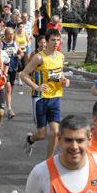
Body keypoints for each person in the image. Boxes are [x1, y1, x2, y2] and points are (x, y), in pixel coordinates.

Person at [21, 29, 70, 158]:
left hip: (55, 98)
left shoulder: (60, 56)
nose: (56, 42)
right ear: (47, 42)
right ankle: (30, 140)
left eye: (58, 40)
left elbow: (60, 72)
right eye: (53, 40)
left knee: (55, 132)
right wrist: (36, 87)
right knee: (42, 135)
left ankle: (49, 162)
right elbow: (23, 75)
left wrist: (64, 80)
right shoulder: (39, 57)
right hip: (40, 99)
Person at [1, 27, 24, 119]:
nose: (11, 36)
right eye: (9, 34)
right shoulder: (2, 44)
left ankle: (6, 101)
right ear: (5, 35)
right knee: (8, 88)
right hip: (4, 69)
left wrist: (20, 55)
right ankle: (10, 109)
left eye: (12, 34)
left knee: (10, 89)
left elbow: (21, 52)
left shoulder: (15, 43)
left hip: (13, 68)